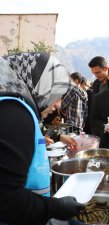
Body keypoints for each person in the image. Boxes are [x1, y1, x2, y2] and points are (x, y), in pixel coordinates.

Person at [0, 52, 84, 225]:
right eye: (58, 93)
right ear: (41, 83)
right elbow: (6, 200)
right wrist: (56, 207)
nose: (59, 105)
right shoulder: (15, 113)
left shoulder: (10, 107)